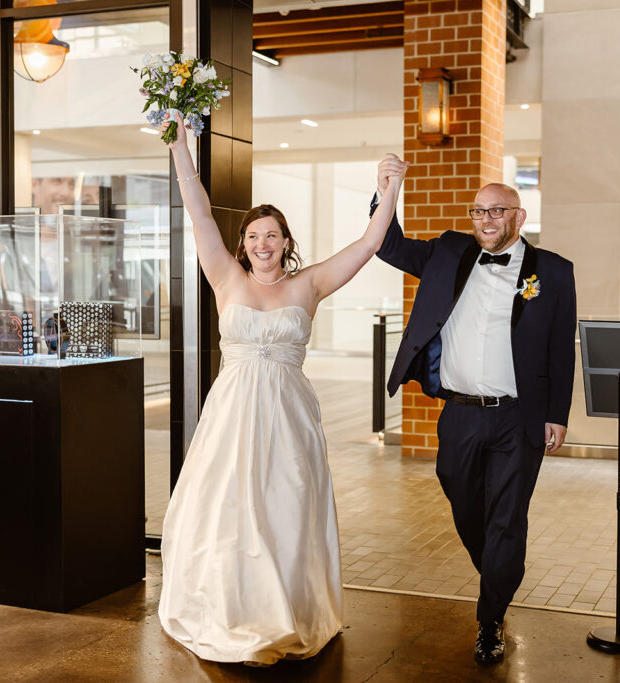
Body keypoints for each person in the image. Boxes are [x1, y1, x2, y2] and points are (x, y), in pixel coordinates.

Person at [157, 113, 408, 666]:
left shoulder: (310, 283)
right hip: (233, 411)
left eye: (272, 234)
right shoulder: (226, 276)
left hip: (289, 412)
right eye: (253, 235)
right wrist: (179, 145)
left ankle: (289, 609)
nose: (263, 242)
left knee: (287, 506)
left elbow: (369, 244)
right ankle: (233, 609)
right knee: (232, 507)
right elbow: (197, 207)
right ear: (243, 245)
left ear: (286, 241)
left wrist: (390, 188)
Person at [372, 154, 576, 664]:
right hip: (460, 413)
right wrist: (387, 190)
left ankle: (490, 620)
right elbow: (388, 246)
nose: (486, 220)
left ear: (519, 216)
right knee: (465, 504)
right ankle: (499, 575)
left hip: (518, 417)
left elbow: (560, 347)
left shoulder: (553, 271)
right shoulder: (449, 253)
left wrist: (558, 412)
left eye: (497, 211)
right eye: (479, 211)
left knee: (508, 518)